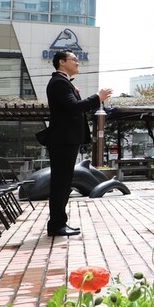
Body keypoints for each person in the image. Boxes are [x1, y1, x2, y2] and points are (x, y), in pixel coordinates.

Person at [44, 50, 112, 237]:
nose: (78, 63)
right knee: (60, 183)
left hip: (66, 140)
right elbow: (73, 107)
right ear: (62, 62)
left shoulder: (62, 82)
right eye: (75, 60)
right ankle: (57, 225)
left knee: (63, 183)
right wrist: (97, 98)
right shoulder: (59, 82)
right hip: (63, 140)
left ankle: (59, 223)